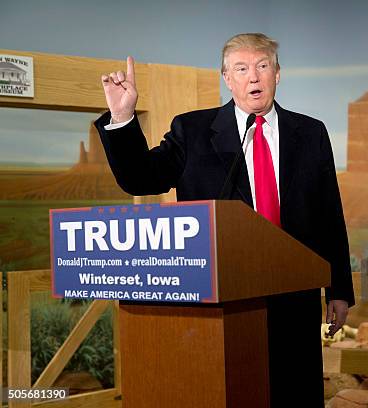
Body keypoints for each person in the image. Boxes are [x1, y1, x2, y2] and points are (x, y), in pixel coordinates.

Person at [95, 33, 354, 406]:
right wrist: (122, 118)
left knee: (293, 393)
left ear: (277, 74)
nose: (254, 77)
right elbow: (141, 179)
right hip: (225, 296)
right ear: (226, 78)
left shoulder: (310, 133)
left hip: (293, 293)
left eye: (262, 66)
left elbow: (329, 211)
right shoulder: (193, 130)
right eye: (242, 69)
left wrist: (339, 289)